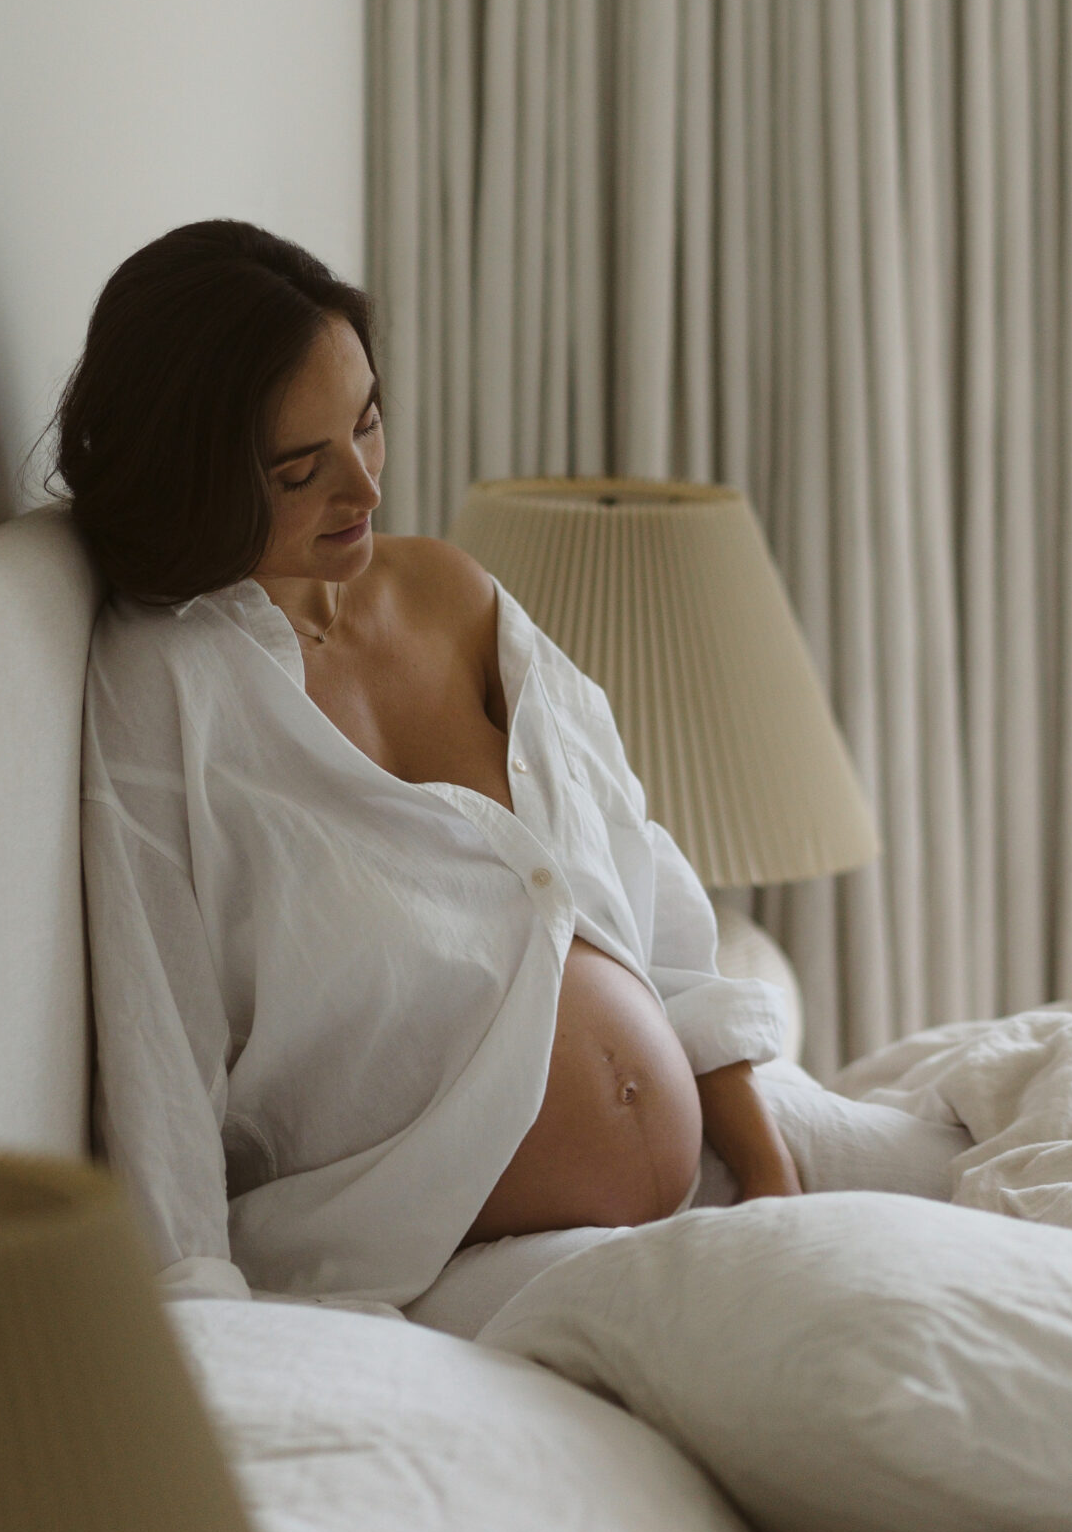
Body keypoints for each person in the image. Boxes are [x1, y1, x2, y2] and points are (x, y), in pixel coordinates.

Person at [63, 220, 966, 1338]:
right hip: (449, 1249)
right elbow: (158, 1041)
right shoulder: (165, 685)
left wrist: (770, 1171)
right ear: (197, 474)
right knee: (867, 1333)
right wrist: (200, 1323)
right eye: (300, 469)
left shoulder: (452, 593)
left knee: (1009, 1168)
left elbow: (648, 893)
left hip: (715, 1160)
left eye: (368, 422)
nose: (363, 486)